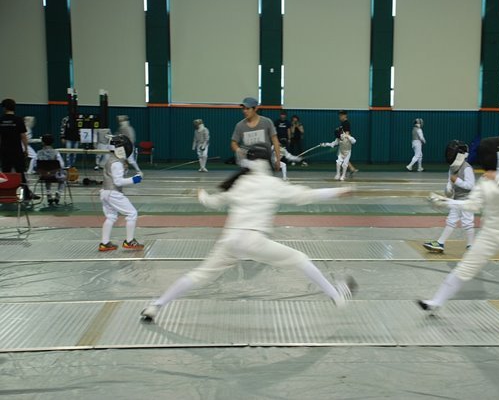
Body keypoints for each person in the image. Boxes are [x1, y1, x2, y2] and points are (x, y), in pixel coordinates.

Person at [140, 143, 357, 322]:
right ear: (266, 160)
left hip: (229, 241)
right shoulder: (271, 183)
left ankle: (155, 306)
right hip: (253, 240)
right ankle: (337, 297)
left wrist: (201, 194)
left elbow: (213, 202)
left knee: (198, 275)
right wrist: (339, 191)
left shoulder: (240, 182)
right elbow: (306, 195)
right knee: (300, 258)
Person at [419, 136, 499, 323]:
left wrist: (498, 180)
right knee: (464, 269)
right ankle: (435, 302)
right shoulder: (485, 180)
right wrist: (447, 202)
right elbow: (473, 204)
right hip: (491, 233)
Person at [423, 140, 475, 253]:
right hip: (456, 199)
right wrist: (448, 189)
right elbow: (449, 184)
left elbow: (471, 186)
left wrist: (457, 181)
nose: (450, 155)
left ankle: (471, 245)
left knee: (467, 222)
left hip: (467, 200)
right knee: (451, 221)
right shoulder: (452, 168)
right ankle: (440, 243)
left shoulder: (467, 168)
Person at [98, 134, 144, 252]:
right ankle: (129, 241)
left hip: (104, 192)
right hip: (113, 193)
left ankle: (104, 243)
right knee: (132, 213)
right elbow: (118, 182)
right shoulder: (116, 163)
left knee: (111, 216)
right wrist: (134, 179)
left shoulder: (111, 160)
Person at [0, 99, 38, 200]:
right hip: (17, 151)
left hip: (4, 151)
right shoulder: (18, 120)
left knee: (5, 173)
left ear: (4, 108)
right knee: (21, 173)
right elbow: (23, 136)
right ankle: (26, 194)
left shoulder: (1, 120)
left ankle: (5, 194)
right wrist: (25, 149)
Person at [230, 97, 281, 172]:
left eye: (248, 109)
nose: (244, 111)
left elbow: (275, 141)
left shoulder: (267, 122)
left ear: (255, 108)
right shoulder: (240, 125)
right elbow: (233, 142)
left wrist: (278, 159)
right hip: (247, 164)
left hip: (265, 163)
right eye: (243, 109)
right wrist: (239, 151)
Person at [34, 134, 67, 206]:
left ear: (42, 142)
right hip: (55, 175)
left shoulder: (38, 153)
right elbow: (61, 165)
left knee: (47, 174)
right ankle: (59, 192)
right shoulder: (56, 152)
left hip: (43, 176)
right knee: (64, 176)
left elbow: (35, 165)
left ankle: (48, 193)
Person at [337, 110, 358, 176]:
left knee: (341, 156)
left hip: (345, 142)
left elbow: (347, 133)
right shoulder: (343, 123)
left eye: (341, 115)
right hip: (344, 142)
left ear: (345, 115)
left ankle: (350, 169)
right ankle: (351, 169)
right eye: (339, 115)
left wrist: (343, 142)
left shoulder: (346, 123)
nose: (339, 117)